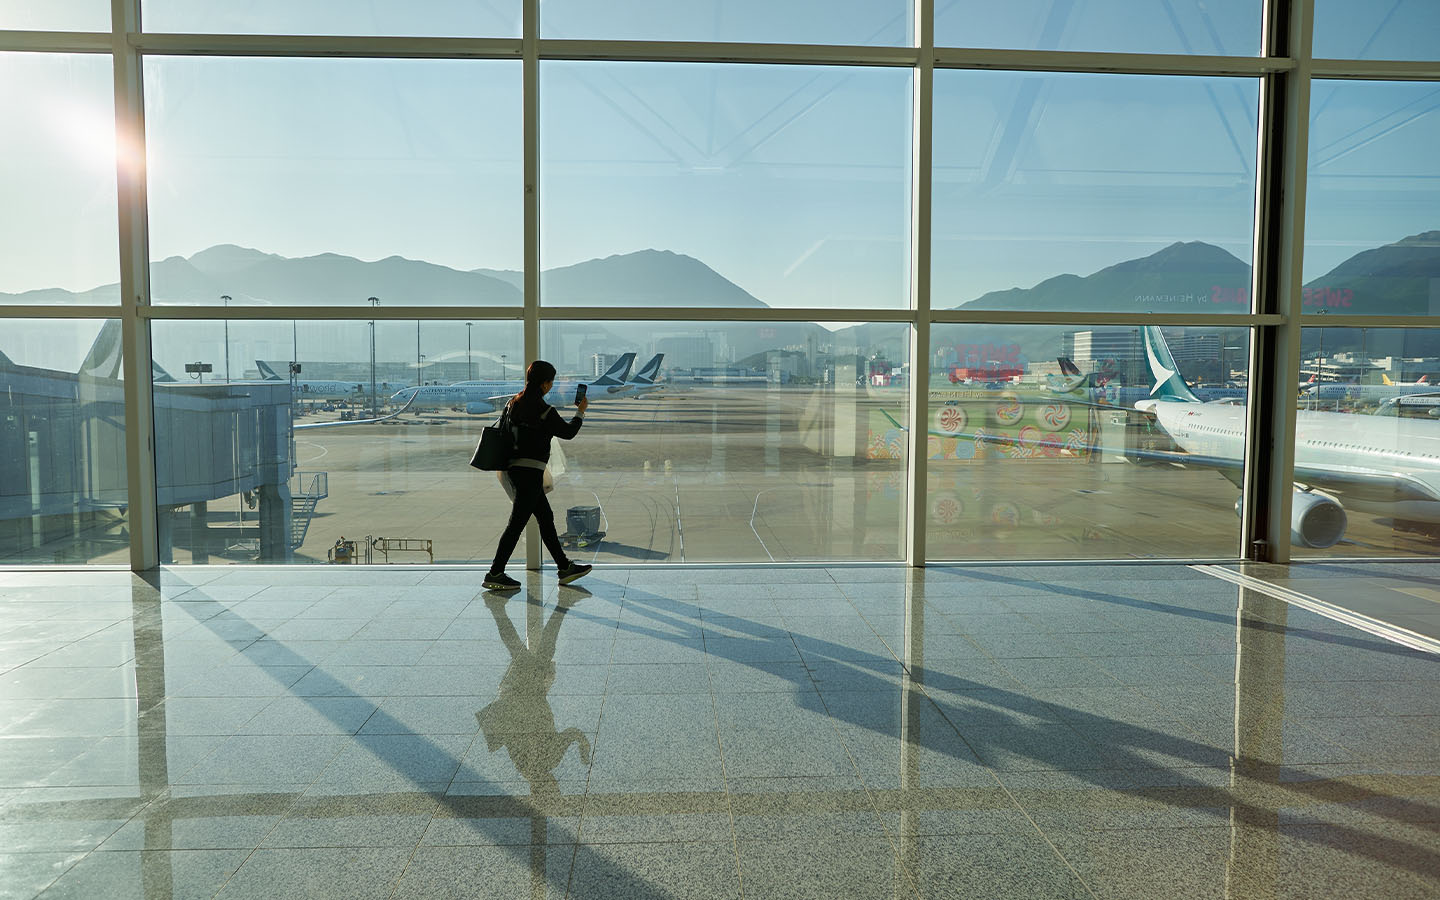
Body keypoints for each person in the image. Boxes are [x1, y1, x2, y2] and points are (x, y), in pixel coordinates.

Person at [484, 360, 593, 590]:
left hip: (513, 470)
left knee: (546, 518)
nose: (551, 386)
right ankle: (495, 572)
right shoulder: (544, 411)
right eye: (551, 382)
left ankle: (564, 568)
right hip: (531, 473)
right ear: (544, 384)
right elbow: (568, 432)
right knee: (517, 524)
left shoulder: (512, 403)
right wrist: (580, 412)